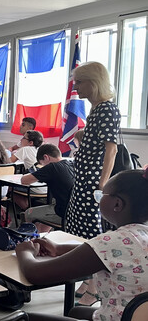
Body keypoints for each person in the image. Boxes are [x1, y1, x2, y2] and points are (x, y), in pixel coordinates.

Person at [15, 169, 148, 321]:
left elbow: (35, 274)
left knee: (24, 318)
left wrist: (25, 251)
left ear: (117, 204)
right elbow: (104, 254)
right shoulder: (137, 237)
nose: (98, 200)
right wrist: (58, 249)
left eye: (101, 195)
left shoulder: (113, 242)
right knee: (76, 312)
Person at [65, 62, 121, 306]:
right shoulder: (96, 109)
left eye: (80, 82)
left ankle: (96, 286)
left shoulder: (108, 109)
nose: (76, 87)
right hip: (83, 180)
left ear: (93, 82)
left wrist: (102, 186)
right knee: (79, 231)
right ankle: (88, 280)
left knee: (93, 234)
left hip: (93, 183)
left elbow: (111, 151)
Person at [16, 144, 75, 233]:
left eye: (42, 164)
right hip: (75, 211)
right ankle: (42, 238)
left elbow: (24, 180)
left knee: (28, 213)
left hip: (63, 213)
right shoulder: (70, 164)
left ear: (46, 157)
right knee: (43, 217)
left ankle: (30, 240)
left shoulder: (52, 167)